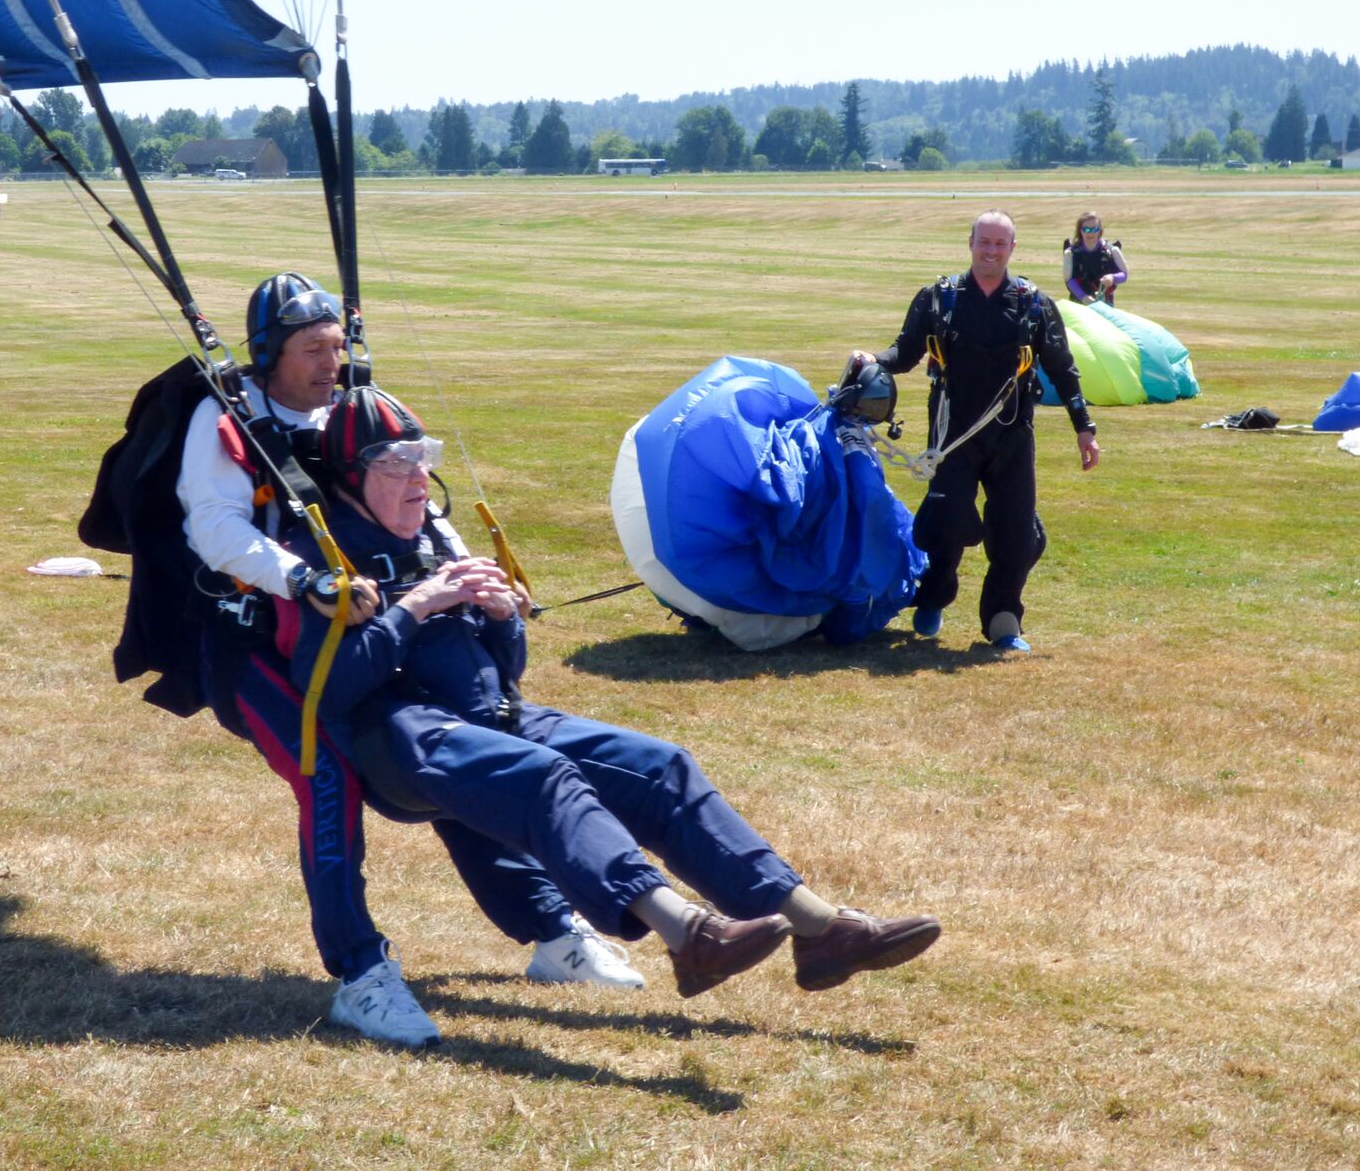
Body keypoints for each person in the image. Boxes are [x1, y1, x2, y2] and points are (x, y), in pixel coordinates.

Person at [95, 273, 641, 1052]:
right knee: (328, 777)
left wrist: (469, 574)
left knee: (458, 752)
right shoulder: (225, 421)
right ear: (269, 355)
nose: (330, 362)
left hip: (365, 637)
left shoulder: (350, 410)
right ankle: (361, 975)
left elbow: (418, 502)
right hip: (254, 649)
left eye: (336, 346)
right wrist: (307, 579)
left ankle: (553, 932)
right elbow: (215, 530)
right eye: (311, 350)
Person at [280, 387, 943, 1011]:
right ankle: (687, 935)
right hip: (406, 735)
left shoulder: (429, 535)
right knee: (545, 778)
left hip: (493, 717)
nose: (419, 479)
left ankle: (820, 928)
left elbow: (505, 671)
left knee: (662, 768)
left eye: (425, 460)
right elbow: (328, 686)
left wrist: (502, 616)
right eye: (397, 465)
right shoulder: (328, 556)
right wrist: (416, 607)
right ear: (350, 479)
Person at [853, 211, 1099, 651]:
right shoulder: (937, 298)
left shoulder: (1034, 304)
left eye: (999, 244)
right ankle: (932, 598)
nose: (990, 251)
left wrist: (1085, 428)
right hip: (950, 440)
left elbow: (1063, 370)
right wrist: (871, 360)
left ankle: (1004, 622)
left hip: (1012, 437)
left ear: (1012, 249)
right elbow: (904, 352)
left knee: (1016, 532)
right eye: (984, 242)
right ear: (970, 243)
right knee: (946, 524)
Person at [1062, 211, 1128, 305]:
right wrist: (1083, 297)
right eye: (1086, 230)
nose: (1090, 233)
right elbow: (1069, 280)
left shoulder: (1112, 251)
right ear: (1080, 230)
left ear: (1100, 230)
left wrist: (1113, 277)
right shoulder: (1070, 253)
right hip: (1078, 305)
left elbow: (1124, 275)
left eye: (1094, 229)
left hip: (1105, 303)